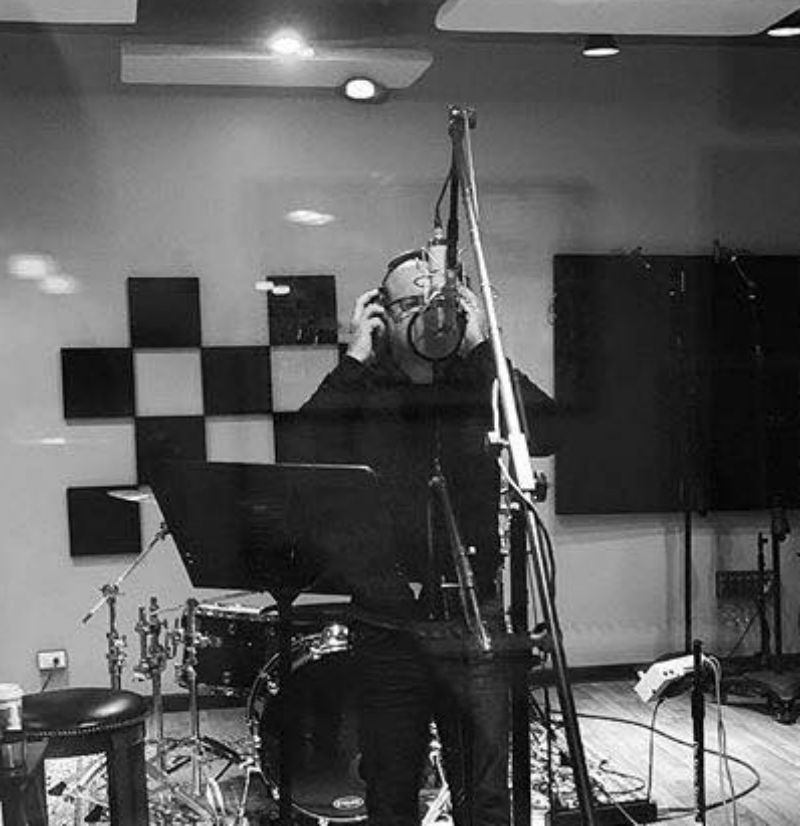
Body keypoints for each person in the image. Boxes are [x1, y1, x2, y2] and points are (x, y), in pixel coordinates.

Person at [291, 248, 559, 826]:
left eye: (439, 302)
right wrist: (355, 357)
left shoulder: (480, 382)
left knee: (485, 800)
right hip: (387, 625)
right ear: (381, 314)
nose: (427, 315)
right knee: (390, 796)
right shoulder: (364, 386)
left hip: (473, 619)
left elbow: (550, 430)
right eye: (410, 302)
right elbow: (301, 448)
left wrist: (484, 349)